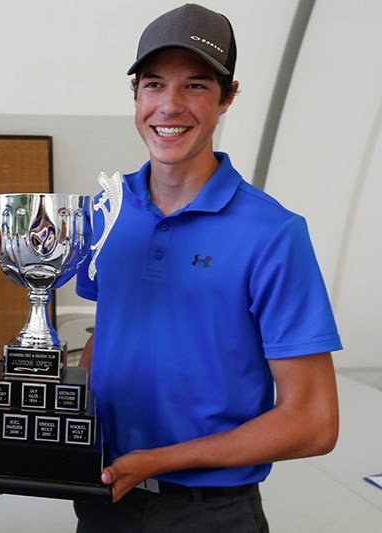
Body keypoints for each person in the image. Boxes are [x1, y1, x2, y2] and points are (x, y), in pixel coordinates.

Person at [74, 4, 341, 532]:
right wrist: (43, 422)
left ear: (228, 97)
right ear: (136, 95)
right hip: (103, 501)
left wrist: (159, 460)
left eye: (195, 86)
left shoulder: (274, 233)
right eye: (153, 84)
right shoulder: (102, 210)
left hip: (210, 515)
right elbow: (108, 333)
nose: (169, 106)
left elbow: (313, 422)